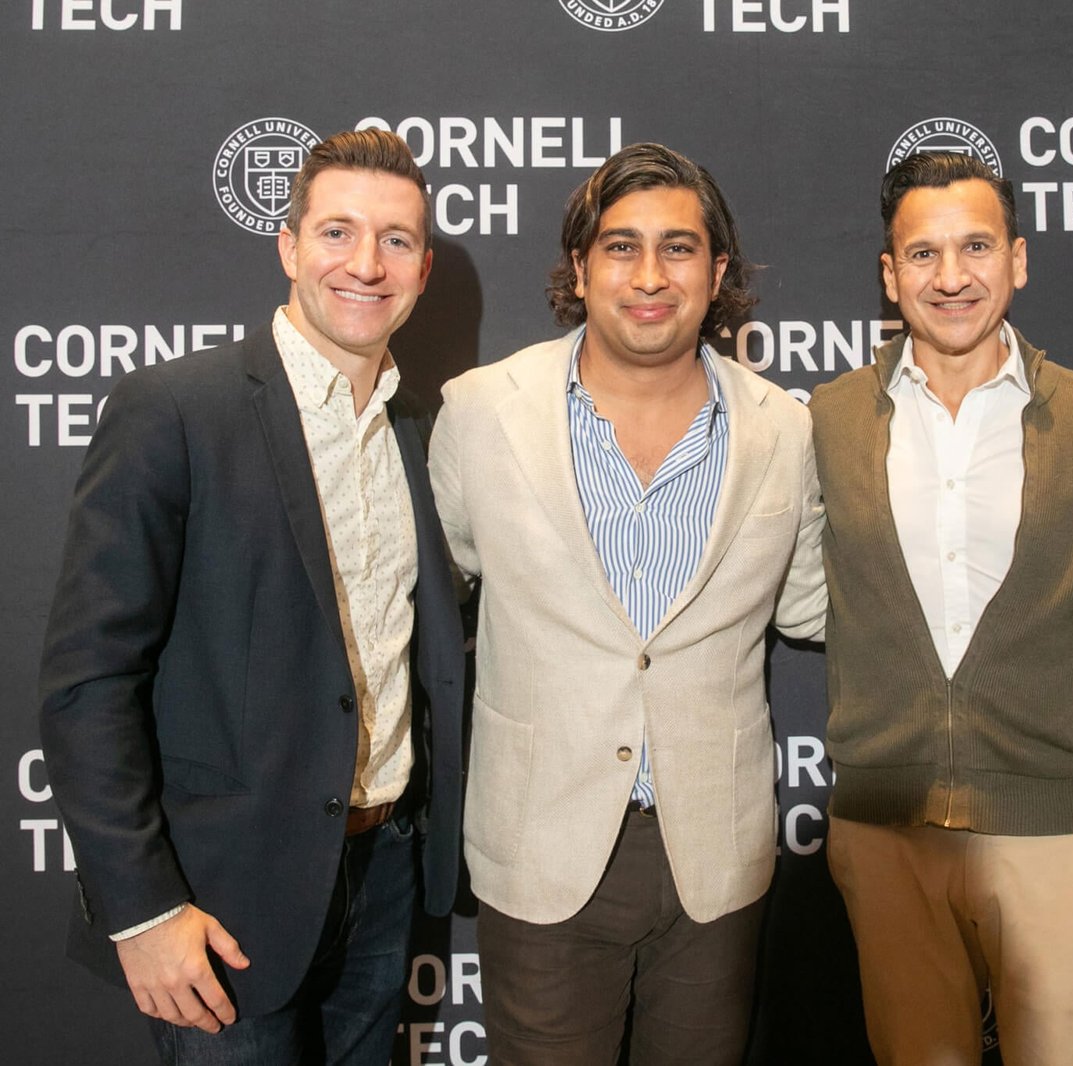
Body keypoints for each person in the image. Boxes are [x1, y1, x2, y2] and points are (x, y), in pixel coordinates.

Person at [37, 128, 464, 1065]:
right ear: (288, 247)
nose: (366, 264)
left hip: (386, 874)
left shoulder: (425, 430)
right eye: (337, 232)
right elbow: (88, 682)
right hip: (220, 900)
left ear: (423, 270)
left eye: (396, 241)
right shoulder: (174, 410)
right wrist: (142, 908)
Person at [428, 142, 826, 1065]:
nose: (650, 277)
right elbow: (430, 608)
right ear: (579, 267)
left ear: (717, 273)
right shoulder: (481, 414)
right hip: (541, 847)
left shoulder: (784, 428)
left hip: (713, 860)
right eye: (621, 247)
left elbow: (817, 604)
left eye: (679, 248)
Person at [808, 151, 1073, 1066]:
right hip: (885, 831)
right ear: (891, 275)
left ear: (1018, 259)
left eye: (975, 247)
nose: (951, 277)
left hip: (1057, 831)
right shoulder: (828, 419)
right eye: (922, 254)